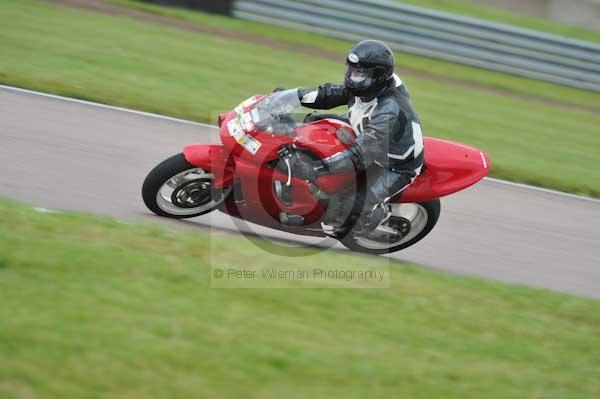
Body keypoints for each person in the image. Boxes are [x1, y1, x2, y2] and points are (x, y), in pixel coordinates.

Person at [288, 39, 424, 236]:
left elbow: (363, 153)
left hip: (394, 164)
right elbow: (328, 95)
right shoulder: (371, 87)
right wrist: (290, 97)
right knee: (313, 121)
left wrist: (318, 168)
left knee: (353, 210)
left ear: (378, 76)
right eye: (353, 71)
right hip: (364, 129)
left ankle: (376, 216)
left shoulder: (389, 109)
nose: (354, 78)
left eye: (361, 75)